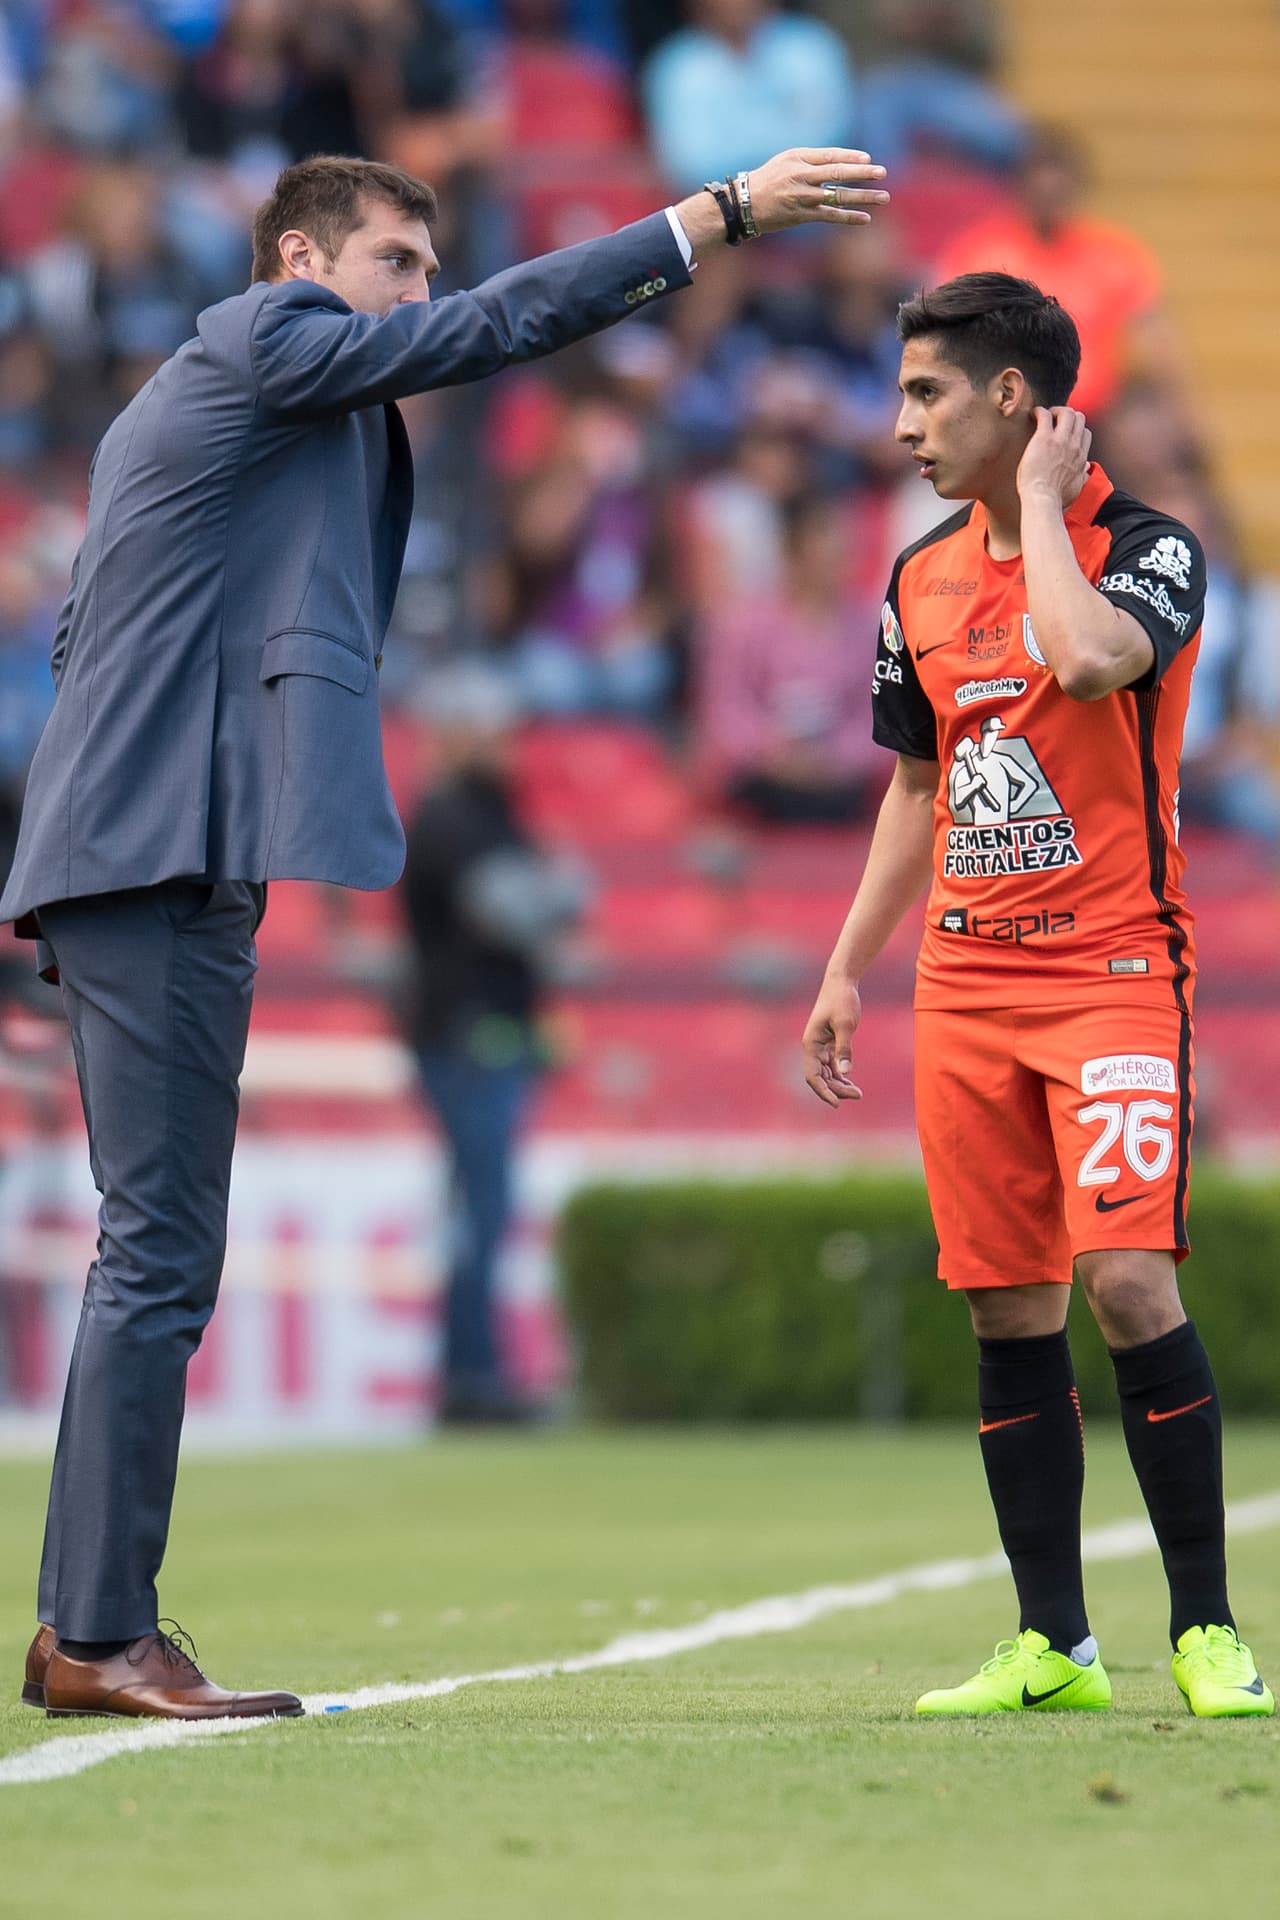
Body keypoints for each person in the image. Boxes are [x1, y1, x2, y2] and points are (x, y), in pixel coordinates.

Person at [2, 142, 889, 1720]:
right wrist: (714, 221)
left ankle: (89, 1622)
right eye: (393, 262)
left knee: (157, 1252)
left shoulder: (227, 404)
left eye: (423, 263)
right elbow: (488, 331)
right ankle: (94, 1633)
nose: (419, 291)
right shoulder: (269, 342)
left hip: (150, 850)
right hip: (151, 859)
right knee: (158, 1256)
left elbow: (93, 625)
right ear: (298, 264)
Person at [801, 271, 1273, 1719]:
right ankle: (1053, 1643)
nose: (902, 427)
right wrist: (843, 969)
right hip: (968, 989)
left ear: (1020, 398)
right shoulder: (918, 579)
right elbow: (920, 785)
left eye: (928, 392)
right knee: (1008, 1311)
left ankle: (1205, 1629)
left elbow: (1082, 658)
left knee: (1128, 1283)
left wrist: (1051, 522)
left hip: (1115, 972)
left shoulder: (1154, 549)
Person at [400, 668, 580, 1422]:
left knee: (484, 1207)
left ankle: (473, 1372)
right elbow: (520, 909)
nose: (510, 744)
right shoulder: (448, 816)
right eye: (495, 729)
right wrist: (560, 887)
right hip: (467, 1037)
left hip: (486, 1034)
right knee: (483, 1207)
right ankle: (472, 1382)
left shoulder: (489, 812)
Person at [932, 126, 1190, 428]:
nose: (1048, 196)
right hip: (1007, 414)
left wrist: (1183, 418)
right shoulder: (978, 252)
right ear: (1020, 186)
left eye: (1057, 189)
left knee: (1148, 438)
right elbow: (945, 337)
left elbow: (1158, 343)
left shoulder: (1113, 252)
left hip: (1097, 417)